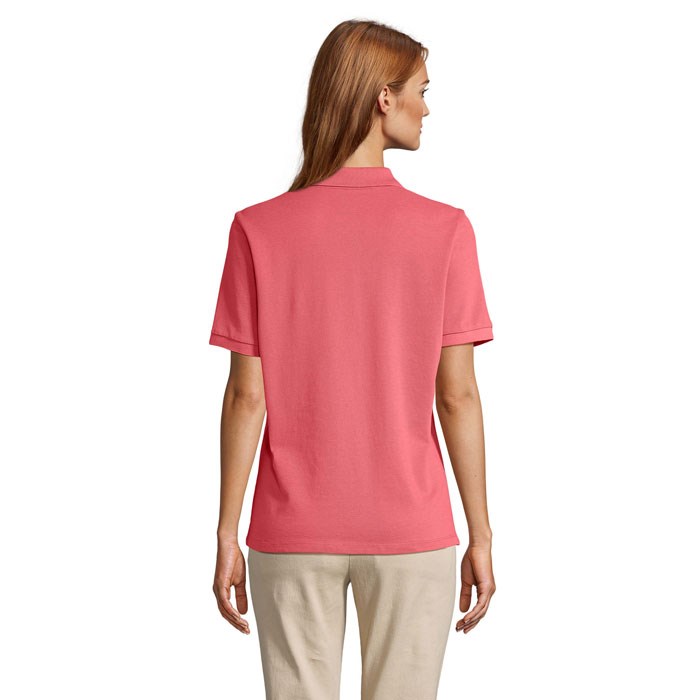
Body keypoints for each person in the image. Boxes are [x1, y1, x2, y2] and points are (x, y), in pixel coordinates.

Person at [209, 18, 496, 700]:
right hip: (412, 529)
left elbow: (247, 396)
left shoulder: (257, 229)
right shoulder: (446, 231)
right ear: (382, 98)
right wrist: (481, 534)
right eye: (422, 91)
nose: (427, 107)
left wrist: (226, 532)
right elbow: (456, 396)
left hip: (290, 531)